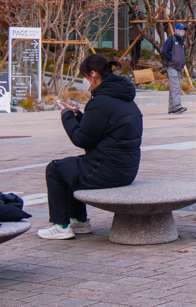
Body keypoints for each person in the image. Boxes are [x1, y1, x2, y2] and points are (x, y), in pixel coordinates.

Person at [38, 54, 143, 240]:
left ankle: (61, 226)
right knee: (70, 167)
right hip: (126, 169)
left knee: (55, 169)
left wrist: (67, 116)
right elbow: (100, 128)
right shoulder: (123, 97)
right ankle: (80, 221)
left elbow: (82, 140)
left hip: (107, 171)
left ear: (93, 74)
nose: (85, 82)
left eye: (85, 77)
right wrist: (80, 118)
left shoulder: (101, 101)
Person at [160, 24, 187, 114]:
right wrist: (172, 59)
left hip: (178, 66)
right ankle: (177, 106)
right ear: (176, 30)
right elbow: (164, 51)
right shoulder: (171, 39)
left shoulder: (182, 41)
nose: (182, 31)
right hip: (172, 66)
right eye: (180, 29)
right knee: (175, 87)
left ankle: (172, 108)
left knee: (174, 88)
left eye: (183, 29)